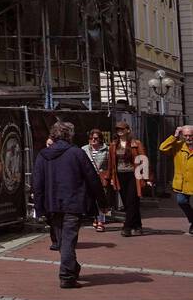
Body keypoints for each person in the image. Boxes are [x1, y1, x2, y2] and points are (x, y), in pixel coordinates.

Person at [32, 120, 104, 289]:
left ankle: (71, 267)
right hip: (73, 202)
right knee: (67, 240)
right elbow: (92, 178)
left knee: (63, 240)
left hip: (52, 204)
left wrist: (39, 206)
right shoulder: (77, 153)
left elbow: (37, 183)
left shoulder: (44, 155)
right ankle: (67, 275)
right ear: (69, 135)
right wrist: (102, 201)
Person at [107, 122, 148, 236]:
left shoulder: (136, 143)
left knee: (131, 200)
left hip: (133, 175)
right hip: (119, 175)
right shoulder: (113, 145)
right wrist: (109, 177)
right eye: (117, 129)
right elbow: (111, 163)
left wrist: (146, 178)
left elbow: (143, 160)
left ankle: (127, 226)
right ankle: (138, 226)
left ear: (128, 130)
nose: (119, 131)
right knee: (128, 202)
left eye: (122, 129)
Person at [159, 124, 193, 234]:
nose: (188, 138)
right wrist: (174, 136)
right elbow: (162, 148)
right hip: (182, 182)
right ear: (182, 135)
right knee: (181, 201)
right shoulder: (178, 146)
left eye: (191, 136)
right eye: (186, 135)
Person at [81, 129, 110, 232]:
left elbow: (109, 166)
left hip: (100, 177)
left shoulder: (107, 150)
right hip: (88, 178)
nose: (93, 140)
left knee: (101, 200)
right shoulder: (84, 149)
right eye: (91, 138)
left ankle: (101, 221)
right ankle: (95, 218)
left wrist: (108, 176)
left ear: (100, 139)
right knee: (91, 200)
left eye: (96, 138)